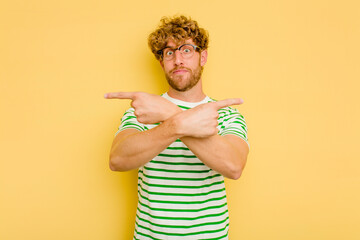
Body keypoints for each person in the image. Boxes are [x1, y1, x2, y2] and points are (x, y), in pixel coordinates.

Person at [104, 15, 249, 240]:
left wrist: (169, 114)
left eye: (187, 49)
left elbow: (233, 166)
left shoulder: (226, 114)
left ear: (203, 57)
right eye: (169, 52)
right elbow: (118, 160)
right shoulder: (145, 110)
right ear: (162, 62)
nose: (178, 60)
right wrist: (176, 121)